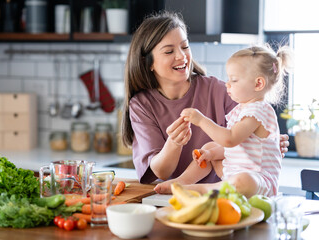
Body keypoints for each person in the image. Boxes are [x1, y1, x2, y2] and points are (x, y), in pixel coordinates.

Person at [121, 11, 289, 186]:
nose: (181, 56)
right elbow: (161, 172)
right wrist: (174, 142)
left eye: (185, 47)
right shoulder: (142, 105)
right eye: (169, 51)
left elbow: (247, 131)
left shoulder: (217, 90)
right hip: (171, 199)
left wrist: (269, 140)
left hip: (223, 196)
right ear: (148, 62)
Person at [154, 45, 293, 198]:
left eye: (234, 80)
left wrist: (201, 120)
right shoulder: (241, 110)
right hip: (233, 174)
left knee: (244, 180)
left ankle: (202, 190)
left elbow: (230, 139)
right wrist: (211, 154)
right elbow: (235, 149)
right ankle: (182, 181)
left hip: (259, 181)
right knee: (209, 147)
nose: (227, 84)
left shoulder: (258, 111)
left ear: (258, 84)